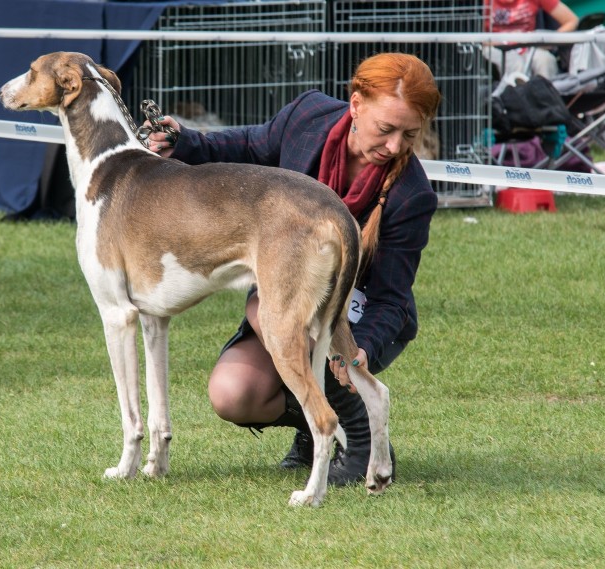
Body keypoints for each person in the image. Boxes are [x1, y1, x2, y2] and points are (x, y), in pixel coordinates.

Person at [143, 52, 441, 485]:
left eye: (409, 134)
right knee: (233, 394)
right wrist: (185, 143)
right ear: (355, 105)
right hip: (286, 297)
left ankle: (359, 437)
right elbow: (249, 147)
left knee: (269, 313)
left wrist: (361, 353)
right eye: (386, 129)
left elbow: (391, 299)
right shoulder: (308, 118)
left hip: (358, 310)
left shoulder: (412, 196)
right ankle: (314, 422)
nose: (395, 146)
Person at [484, 0, 579, 80]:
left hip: (529, 46)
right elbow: (473, 31)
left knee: (545, 60)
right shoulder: (484, 2)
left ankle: (547, 98)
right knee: (515, 64)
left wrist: (549, 41)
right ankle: (515, 98)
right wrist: (492, 42)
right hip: (494, 46)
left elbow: (572, 20)